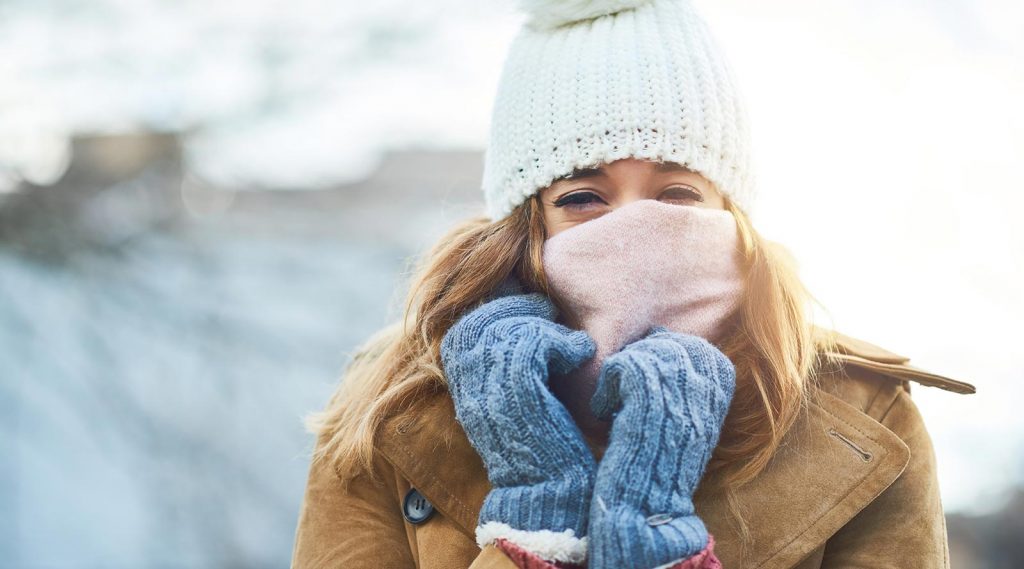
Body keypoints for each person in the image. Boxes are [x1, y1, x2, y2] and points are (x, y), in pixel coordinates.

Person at [290, 1, 977, 567]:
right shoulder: (390, 410)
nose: (634, 229)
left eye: (676, 192)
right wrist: (533, 523)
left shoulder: (863, 412)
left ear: (730, 209)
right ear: (527, 221)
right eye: (584, 197)